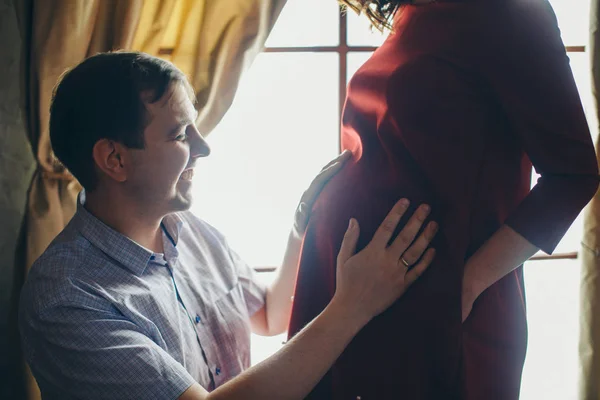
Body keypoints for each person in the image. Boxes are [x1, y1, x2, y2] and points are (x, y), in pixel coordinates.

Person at [18, 51, 438, 400]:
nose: (204, 146)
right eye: (181, 134)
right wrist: (354, 306)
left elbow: (270, 314)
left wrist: (302, 224)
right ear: (114, 159)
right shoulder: (65, 299)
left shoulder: (192, 232)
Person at [288, 0, 600, 399]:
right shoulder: (413, 12)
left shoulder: (506, 11)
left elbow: (573, 175)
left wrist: (464, 287)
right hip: (362, 294)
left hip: (432, 312)